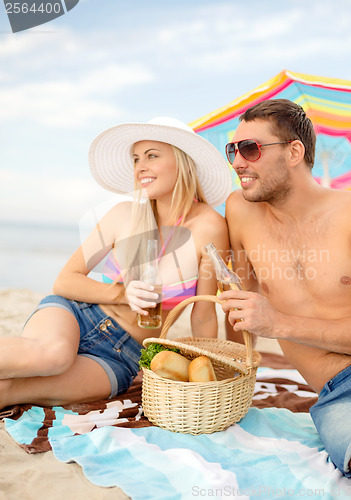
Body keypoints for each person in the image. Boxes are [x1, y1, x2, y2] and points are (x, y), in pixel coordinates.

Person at [220, 99, 351, 495]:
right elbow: (238, 300)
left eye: (250, 149)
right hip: (342, 393)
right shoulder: (239, 210)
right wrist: (226, 382)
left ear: (294, 152)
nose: (237, 162)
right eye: (232, 150)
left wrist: (280, 324)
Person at [0, 117, 231, 408]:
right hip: (75, 317)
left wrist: (205, 379)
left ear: (183, 162)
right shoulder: (123, 215)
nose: (140, 167)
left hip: (122, 354)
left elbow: (204, 315)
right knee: (53, 355)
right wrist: (123, 293)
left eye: (151, 156)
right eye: (136, 159)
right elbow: (66, 280)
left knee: (9, 390)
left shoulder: (210, 227)